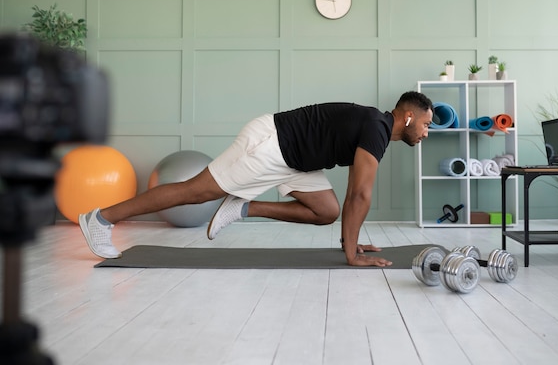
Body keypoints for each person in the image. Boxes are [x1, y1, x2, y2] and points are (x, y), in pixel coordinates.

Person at [79, 91, 433, 267]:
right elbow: (360, 195)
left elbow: (353, 196)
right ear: (407, 116)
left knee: (325, 210)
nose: (427, 132)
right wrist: (353, 255)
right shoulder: (376, 127)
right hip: (272, 144)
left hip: (298, 160)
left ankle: (244, 207)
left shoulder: (376, 128)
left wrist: (350, 244)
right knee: (196, 191)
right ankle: (101, 218)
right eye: (427, 123)